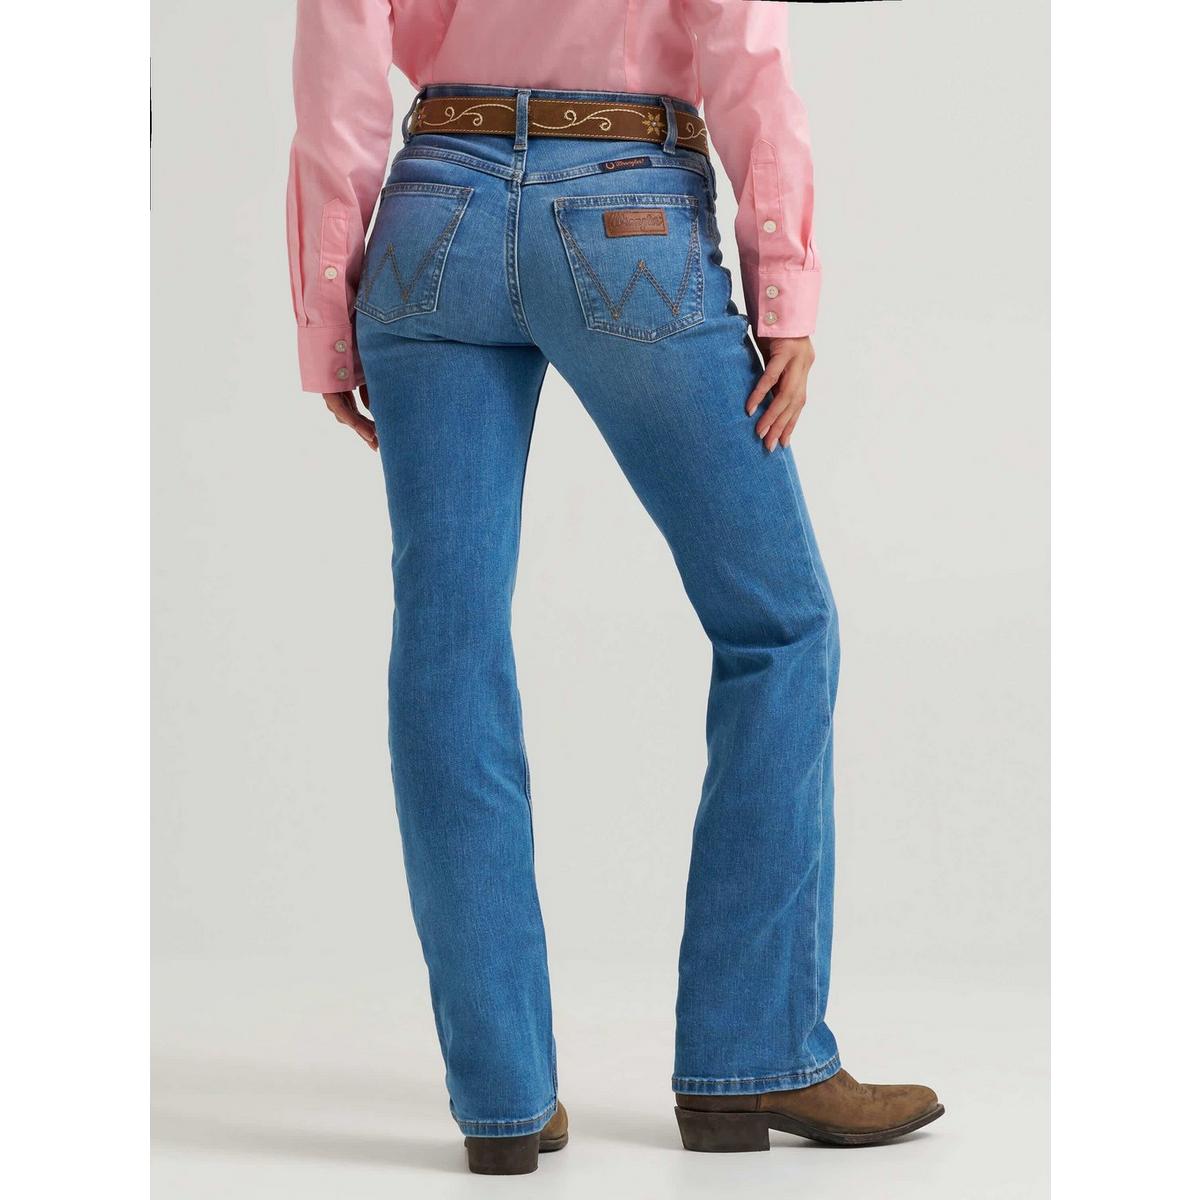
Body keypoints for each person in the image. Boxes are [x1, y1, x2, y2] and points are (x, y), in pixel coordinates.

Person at [287, 0, 942, 1176]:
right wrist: (786, 283)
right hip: (624, 206)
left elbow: (338, 51)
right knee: (780, 627)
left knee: (447, 641)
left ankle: (502, 1099)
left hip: (433, 210)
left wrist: (327, 306)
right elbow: (744, 49)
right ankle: (754, 1054)